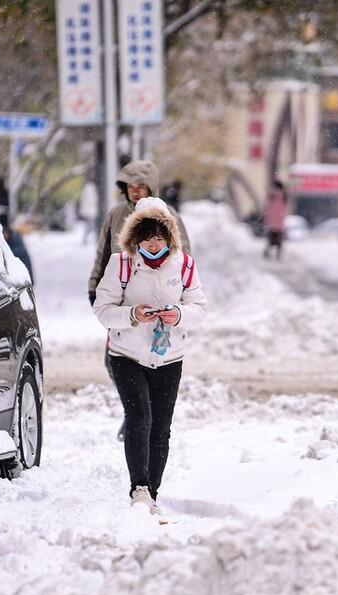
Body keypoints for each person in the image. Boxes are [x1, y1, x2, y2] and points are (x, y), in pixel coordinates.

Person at [92, 197, 207, 514]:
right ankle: (139, 488)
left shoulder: (184, 265)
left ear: (169, 236)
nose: (153, 243)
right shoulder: (122, 264)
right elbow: (102, 310)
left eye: (159, 236)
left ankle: (152, 492)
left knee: (161, 427)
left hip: (170, 357)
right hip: (127, 354)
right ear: (135, 236)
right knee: (139, 418)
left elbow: (200, 308)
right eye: (147, 235)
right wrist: (132, 315)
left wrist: (179, 315)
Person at [88, 160, 191, 441]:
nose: (135, 192)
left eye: (141, 186)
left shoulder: (169, 217)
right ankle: (135, 414)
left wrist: (180, 304)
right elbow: (103, 254)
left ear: (151, 187)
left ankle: (145, 417)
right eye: (130, 187)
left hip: (162, 307)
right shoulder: (115, 215)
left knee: (157, 362)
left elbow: (184, 258)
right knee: (117, 360)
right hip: (122, 303)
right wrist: (94, 289)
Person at [262, 180, 288, 260]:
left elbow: (267, 208)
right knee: (279, 239)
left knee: (270, 238)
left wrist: (266, 217)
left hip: (271, 221)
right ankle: (278, 254)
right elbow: (285, 209)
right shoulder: (284, 196)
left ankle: (267, 252)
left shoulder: (271, 195)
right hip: (280, 221)